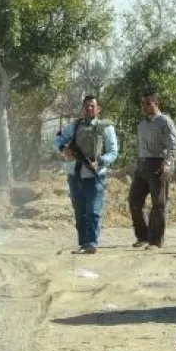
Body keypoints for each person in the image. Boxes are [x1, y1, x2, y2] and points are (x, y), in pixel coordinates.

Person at [53, 95, 118, 254]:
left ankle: (91, 243)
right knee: (79, 212)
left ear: (98, 108)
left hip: (95, 176)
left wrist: (100, 162)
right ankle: (83, 243)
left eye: (92, 106)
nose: (89, 109)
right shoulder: (75, 126)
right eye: (86, 106)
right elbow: (57, 141)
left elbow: (113, 151)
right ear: (83, 108)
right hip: (75, 175)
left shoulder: (106, 128)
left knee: (93, 211)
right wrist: (63, 149)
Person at [129, 92, 176, 249]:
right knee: (134, 201)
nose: (144, 106)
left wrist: (168, 163)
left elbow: (173, 145)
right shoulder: (142, 124)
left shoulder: (165, 122)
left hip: (159, 164)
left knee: (158, 204)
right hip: (142, 165)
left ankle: (155, 241)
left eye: (148, 103)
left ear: (157, 104)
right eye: (143, 103)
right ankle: (142, 236)